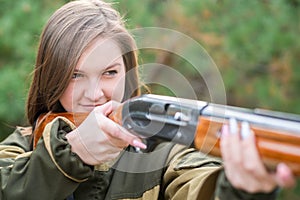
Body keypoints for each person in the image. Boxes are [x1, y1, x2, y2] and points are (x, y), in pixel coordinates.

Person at [0, 0, 295, 199]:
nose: (94, 94)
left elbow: (199, 183)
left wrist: (240, 187)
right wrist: (74, 153)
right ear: (51, 77)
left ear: (129, 73)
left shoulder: (164, 151)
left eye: (109, 73)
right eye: (75, 75)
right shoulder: (21, 147)